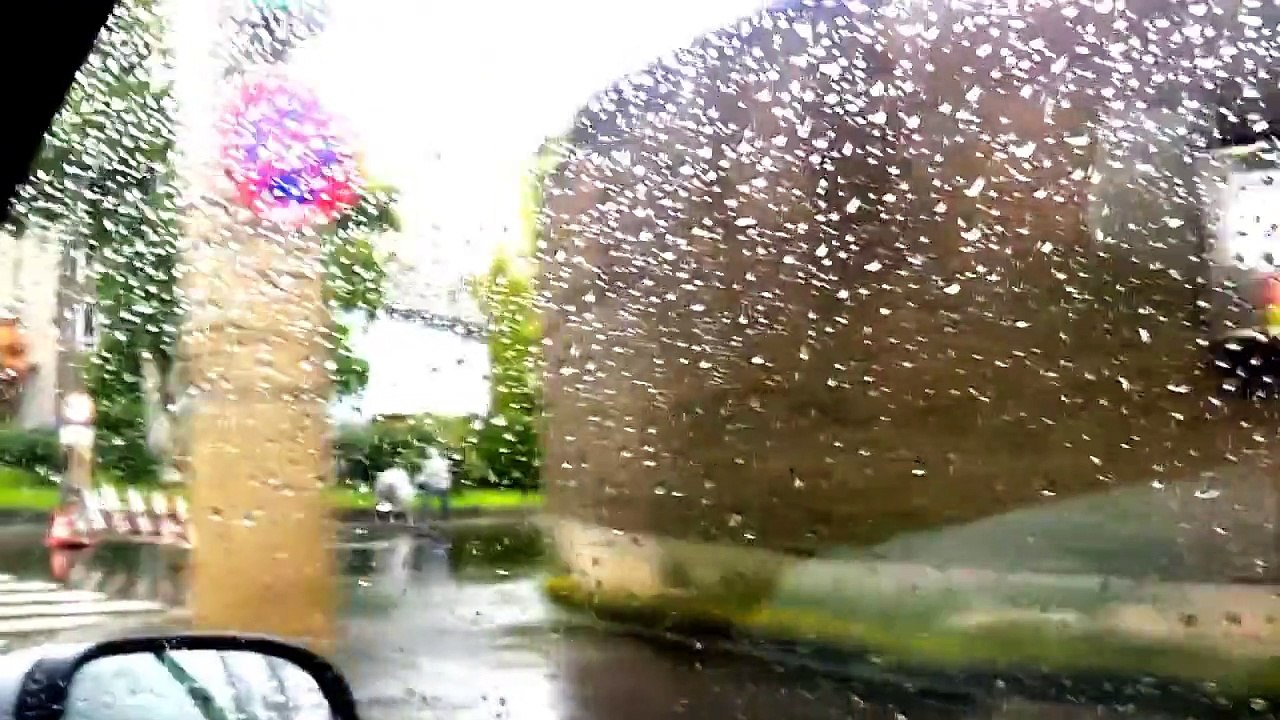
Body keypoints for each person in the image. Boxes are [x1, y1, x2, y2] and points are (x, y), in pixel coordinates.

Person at [415, 448, 452, 520]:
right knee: (444, 501)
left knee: (426, 501)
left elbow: (426, 473)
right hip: (443, 484)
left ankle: (423, 516)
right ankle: (445, 516)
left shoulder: (428, 463)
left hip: (432, 484)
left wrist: (419, 480)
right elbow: (447, 472)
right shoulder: (443, 461)